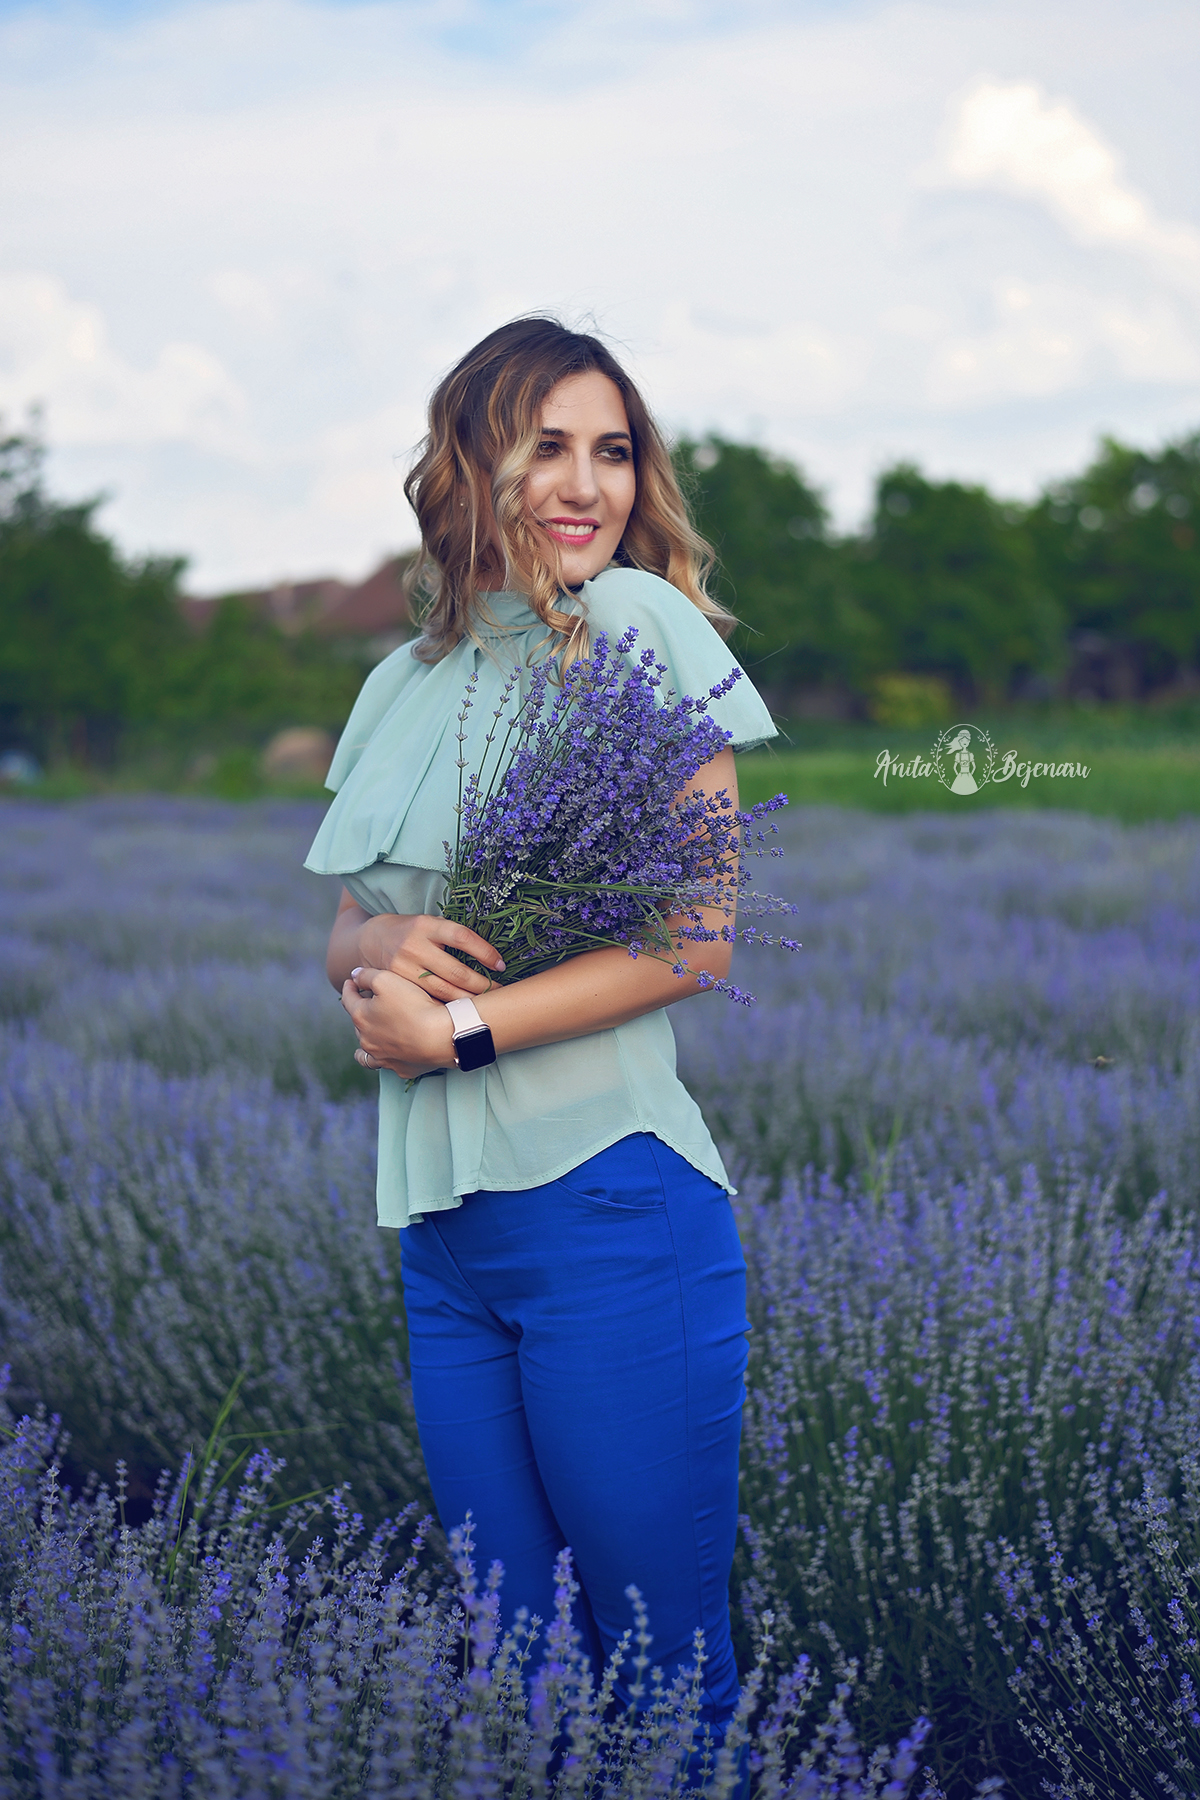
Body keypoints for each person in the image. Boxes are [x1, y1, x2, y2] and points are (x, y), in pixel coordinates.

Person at [305, 317, 777, 1771]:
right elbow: (345, 931)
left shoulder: (638, 627)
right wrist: (384, 948)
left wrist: (456, 1031)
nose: (588, 485)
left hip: (607, 1215)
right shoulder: (403, 678)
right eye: (547, 446)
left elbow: (696, 941)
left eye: (614, 451)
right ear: (469, 463)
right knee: (520, 1675)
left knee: (661, 1679)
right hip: (443, 1238)